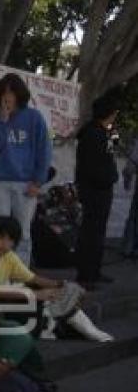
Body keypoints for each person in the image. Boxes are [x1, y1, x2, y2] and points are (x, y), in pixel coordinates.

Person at [0, 216, 113, 342]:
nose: (5, 244)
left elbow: (32, 278)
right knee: (34, 295)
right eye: (0, 238)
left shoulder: (7, 256)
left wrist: (63, 285)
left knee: (46, 293)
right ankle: (61, 328)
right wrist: (37, 295)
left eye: (10, 240)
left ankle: (69, 328)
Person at [0, 73, 52, 266]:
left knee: (23, 231)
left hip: (25, 183)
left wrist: (38, 181)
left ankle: (20, 276)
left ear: (19, 95)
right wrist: (2, 122)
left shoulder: (34, 118)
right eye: (4, 92)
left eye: (11, 92)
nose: (7, 97)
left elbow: (44, 151)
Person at [75, 92, 120, 289]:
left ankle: (94, 271)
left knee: (98, 232)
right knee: (91, 233)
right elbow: (93, 167)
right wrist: (108, 177)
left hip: (103, 190)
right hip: (94, 191)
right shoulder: (93, 134)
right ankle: (86, 275)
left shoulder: (104, 133)